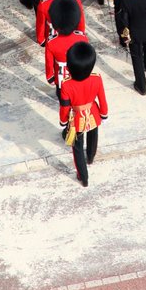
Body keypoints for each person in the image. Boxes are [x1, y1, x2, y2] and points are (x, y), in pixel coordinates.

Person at [59, 41, 108, 186]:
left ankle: (83, 176)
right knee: (93, 136)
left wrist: (63, 121)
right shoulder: (96, 78)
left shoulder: (66, 85)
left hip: (77, 119)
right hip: (93, 113)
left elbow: (65, 107)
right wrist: (104, 114)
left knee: (77, 148)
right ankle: (91, 157)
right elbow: (102, 99)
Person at [44, 0, 87, 96]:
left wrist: (50, 77)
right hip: (78, 74)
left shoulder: (51, 42)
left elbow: (49, 62)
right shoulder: (82, 38)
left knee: (63, 101)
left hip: (60, 78)